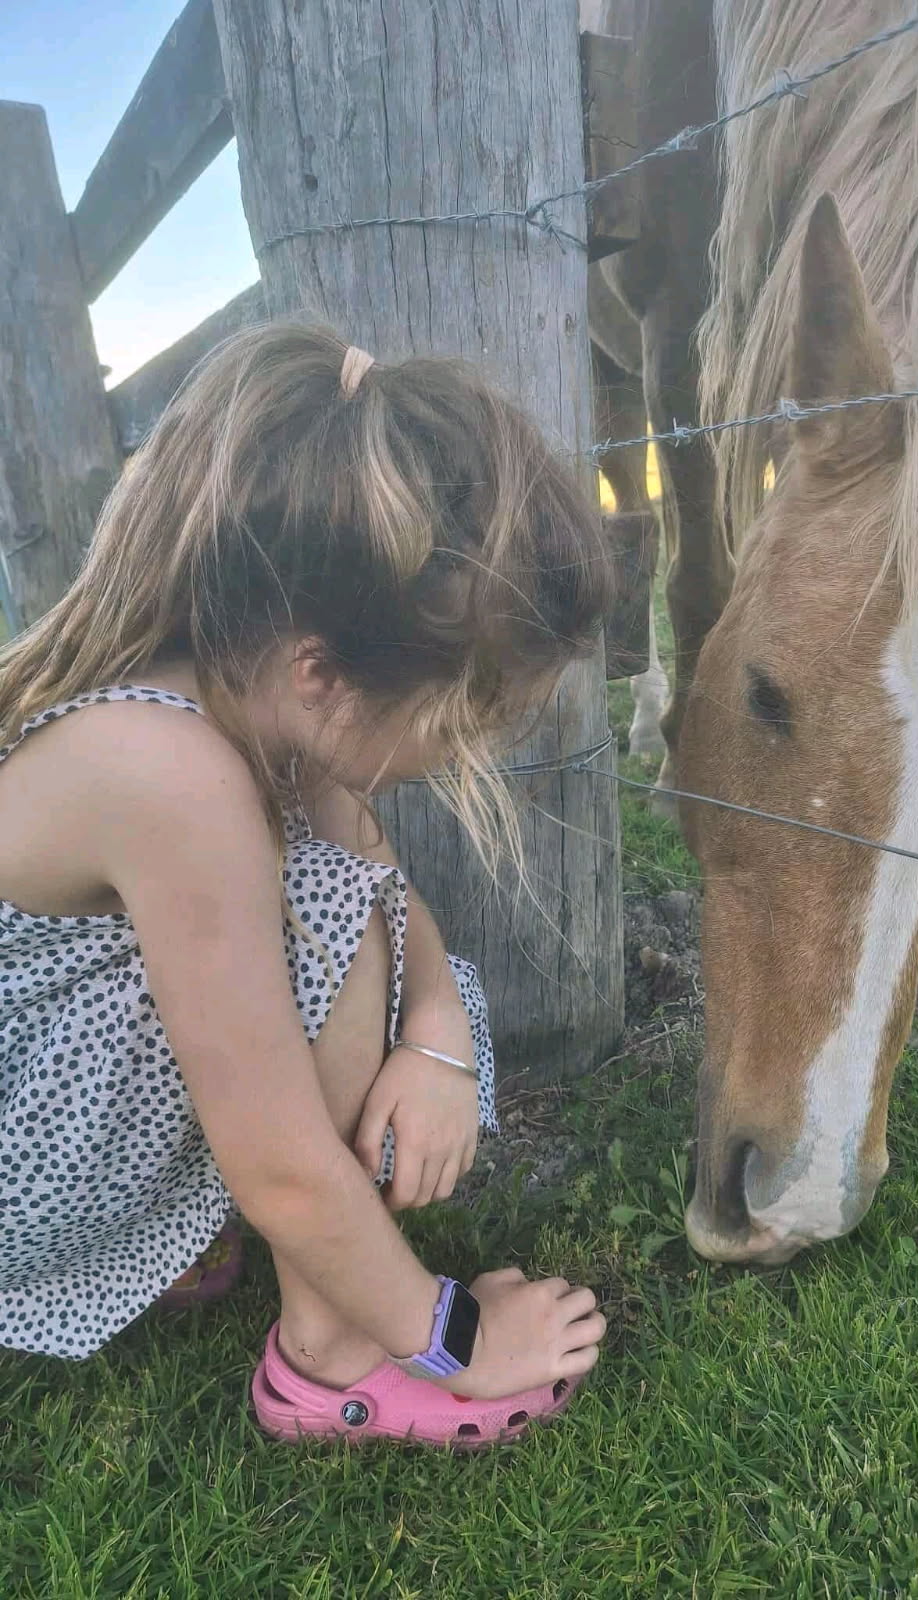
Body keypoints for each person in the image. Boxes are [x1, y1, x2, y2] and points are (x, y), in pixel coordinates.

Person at [0, 325, 610, 1447]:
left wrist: (437, 1035)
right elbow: (279, 1162)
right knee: (324, 914)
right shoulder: (168, 774)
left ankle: (191, 1243)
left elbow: (390, 900)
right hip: (18, 1175)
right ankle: (331, 1363)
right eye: (462, 718)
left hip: (53, 1122)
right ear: (322, 673)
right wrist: (459, 1336)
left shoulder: (265, 701)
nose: (467, 749)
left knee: (340, 906)